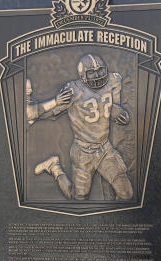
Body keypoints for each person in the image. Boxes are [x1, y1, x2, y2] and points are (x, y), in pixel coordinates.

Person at [29, 53, 134, 201]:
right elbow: (53, 112)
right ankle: (55, 168)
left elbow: (112, 106)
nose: (97, 76)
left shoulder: (113, 80)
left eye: (100, 71)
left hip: (105, 148)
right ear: (82, 75)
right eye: (92, 72)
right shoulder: (73, 90)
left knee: (127, 193)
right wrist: (36, 112)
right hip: (83, 152)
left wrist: (116, 110)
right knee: (78, 198)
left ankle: (111, 220)